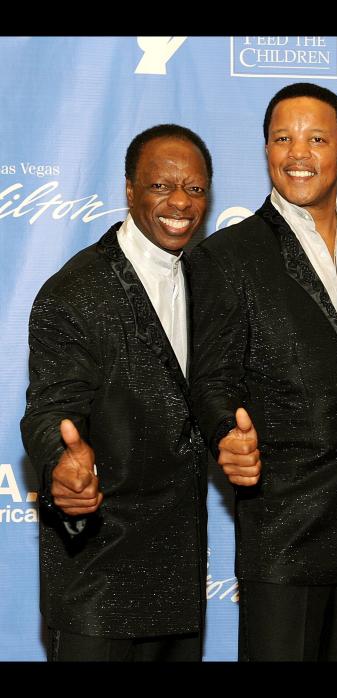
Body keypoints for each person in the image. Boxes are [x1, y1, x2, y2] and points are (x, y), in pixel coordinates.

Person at [188, 83, 337, 661]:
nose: (297, 153)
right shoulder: (228, 254)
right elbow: (210, 379)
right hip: (283, 519)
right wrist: (226, 432)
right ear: (265, 150)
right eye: (282, 138)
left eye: (316, 139)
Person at [21, 124, 213, 661]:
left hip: (179, 581)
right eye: (161, 187)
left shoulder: (210, 279)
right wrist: (61, 461)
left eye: (195, 189)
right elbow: (50, 409)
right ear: (130, 190)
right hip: (98, 579)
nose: (180, 201)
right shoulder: (76, 291)